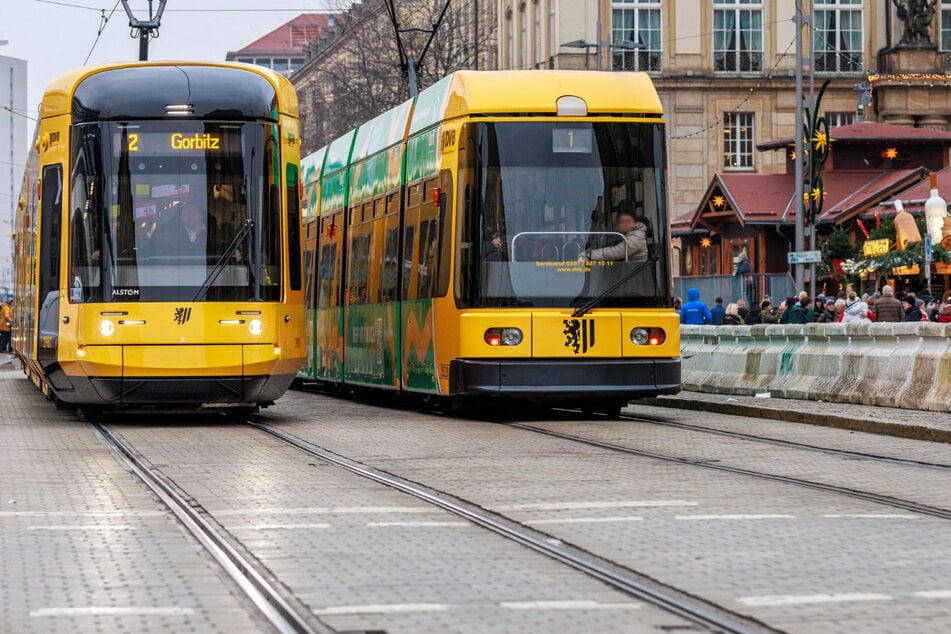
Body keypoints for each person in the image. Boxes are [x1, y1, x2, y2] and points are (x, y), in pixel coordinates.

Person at [582, 204, 648, 263]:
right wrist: (584, 254)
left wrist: (590, 255)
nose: (625, 224)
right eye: (622, 221)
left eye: (628, 221)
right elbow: (604, 245)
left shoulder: (637, 236)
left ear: (635, 222)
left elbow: (616, 252)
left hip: (635, 274)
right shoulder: (620, 235)